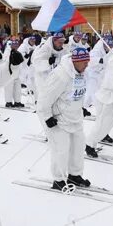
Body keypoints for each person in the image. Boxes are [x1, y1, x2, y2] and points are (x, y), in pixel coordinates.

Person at [38, 45, 94, 188]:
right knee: (61, 149)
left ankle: (74, 175)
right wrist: (47, 116)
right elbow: (45, 97)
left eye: (88, 61)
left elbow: (75, 93)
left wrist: (81, 108)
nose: (87, 65)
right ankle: (59, 179)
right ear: (75, 61)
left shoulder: (82, 72)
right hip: (58, 119)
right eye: (84, 62)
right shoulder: (61, 75)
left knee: (78, 146)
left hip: (75, 117)